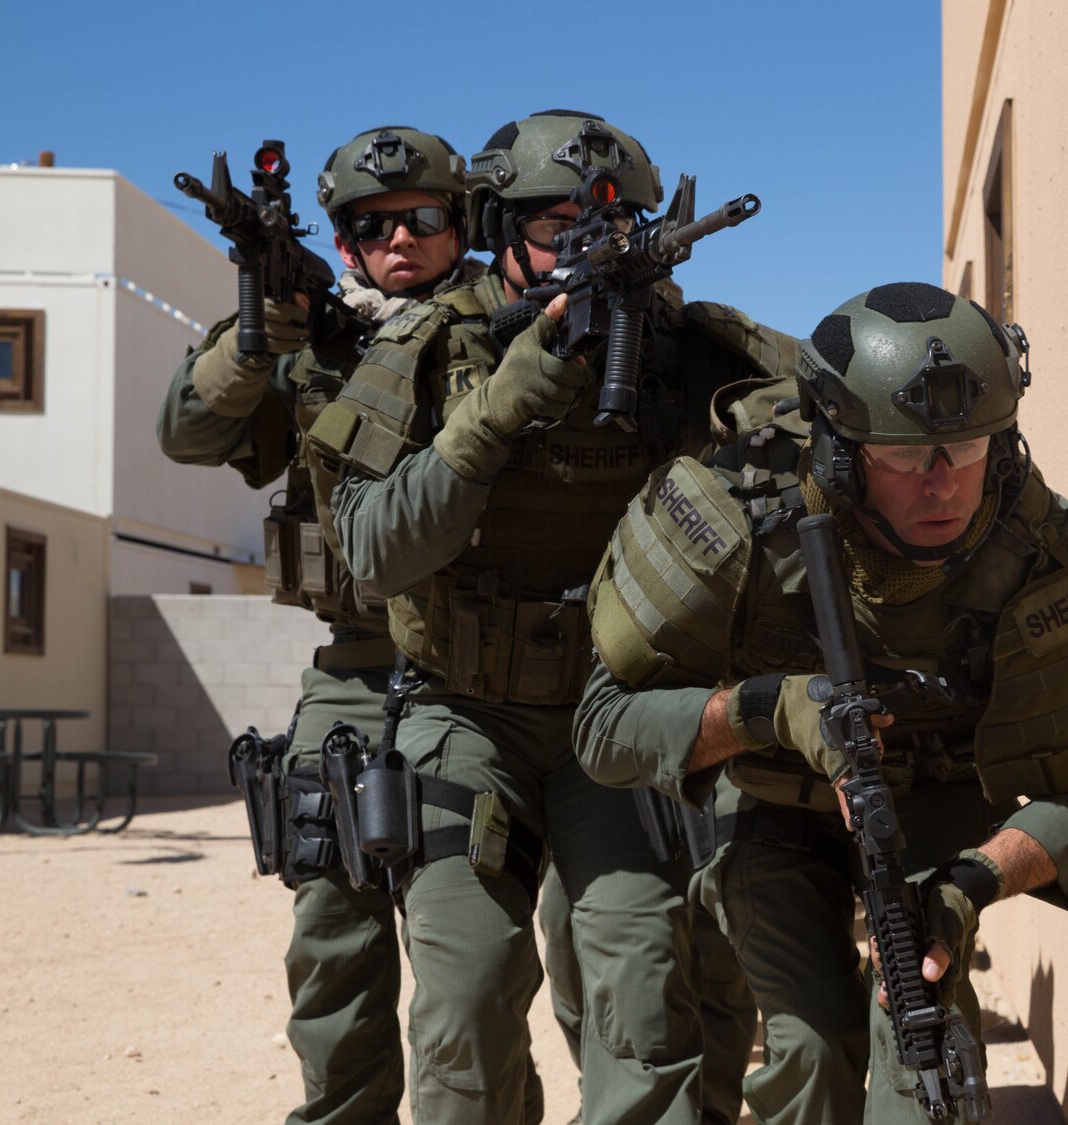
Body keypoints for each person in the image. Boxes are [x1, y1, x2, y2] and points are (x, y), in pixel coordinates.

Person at [573, 283, 1068, 1124]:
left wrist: (972, 881)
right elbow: (601, 726)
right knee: (811, 1054)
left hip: (933, 808)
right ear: (843, 452)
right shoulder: (739, 513)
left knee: (923, 1066)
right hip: (772, 801)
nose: (943, 484)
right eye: (907, 458)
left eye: (968, 449)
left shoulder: (1039, 547)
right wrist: (767, 711)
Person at [308, 110, 771, 1125]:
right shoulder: (433, 347)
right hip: (464, 715)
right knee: (466, 1002)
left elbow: (817, 434)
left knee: (642, 989)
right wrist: (506, 400)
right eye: (557, 222)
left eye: (607, 221)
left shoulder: (685, 353)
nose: (583, 243)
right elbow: (378, 550)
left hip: (616, 717)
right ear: (498, 228)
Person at [156, 126, 494, 1124]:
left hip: (479, 676)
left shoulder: (499, 329)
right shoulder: (310, 345)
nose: (400, 240)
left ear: (459, 227)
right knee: (330, 931)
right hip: (352, 670)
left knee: (472, 966)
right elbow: (187, 433)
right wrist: (256, 336)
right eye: (372, 225)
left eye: (423, 219)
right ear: (343, 241)